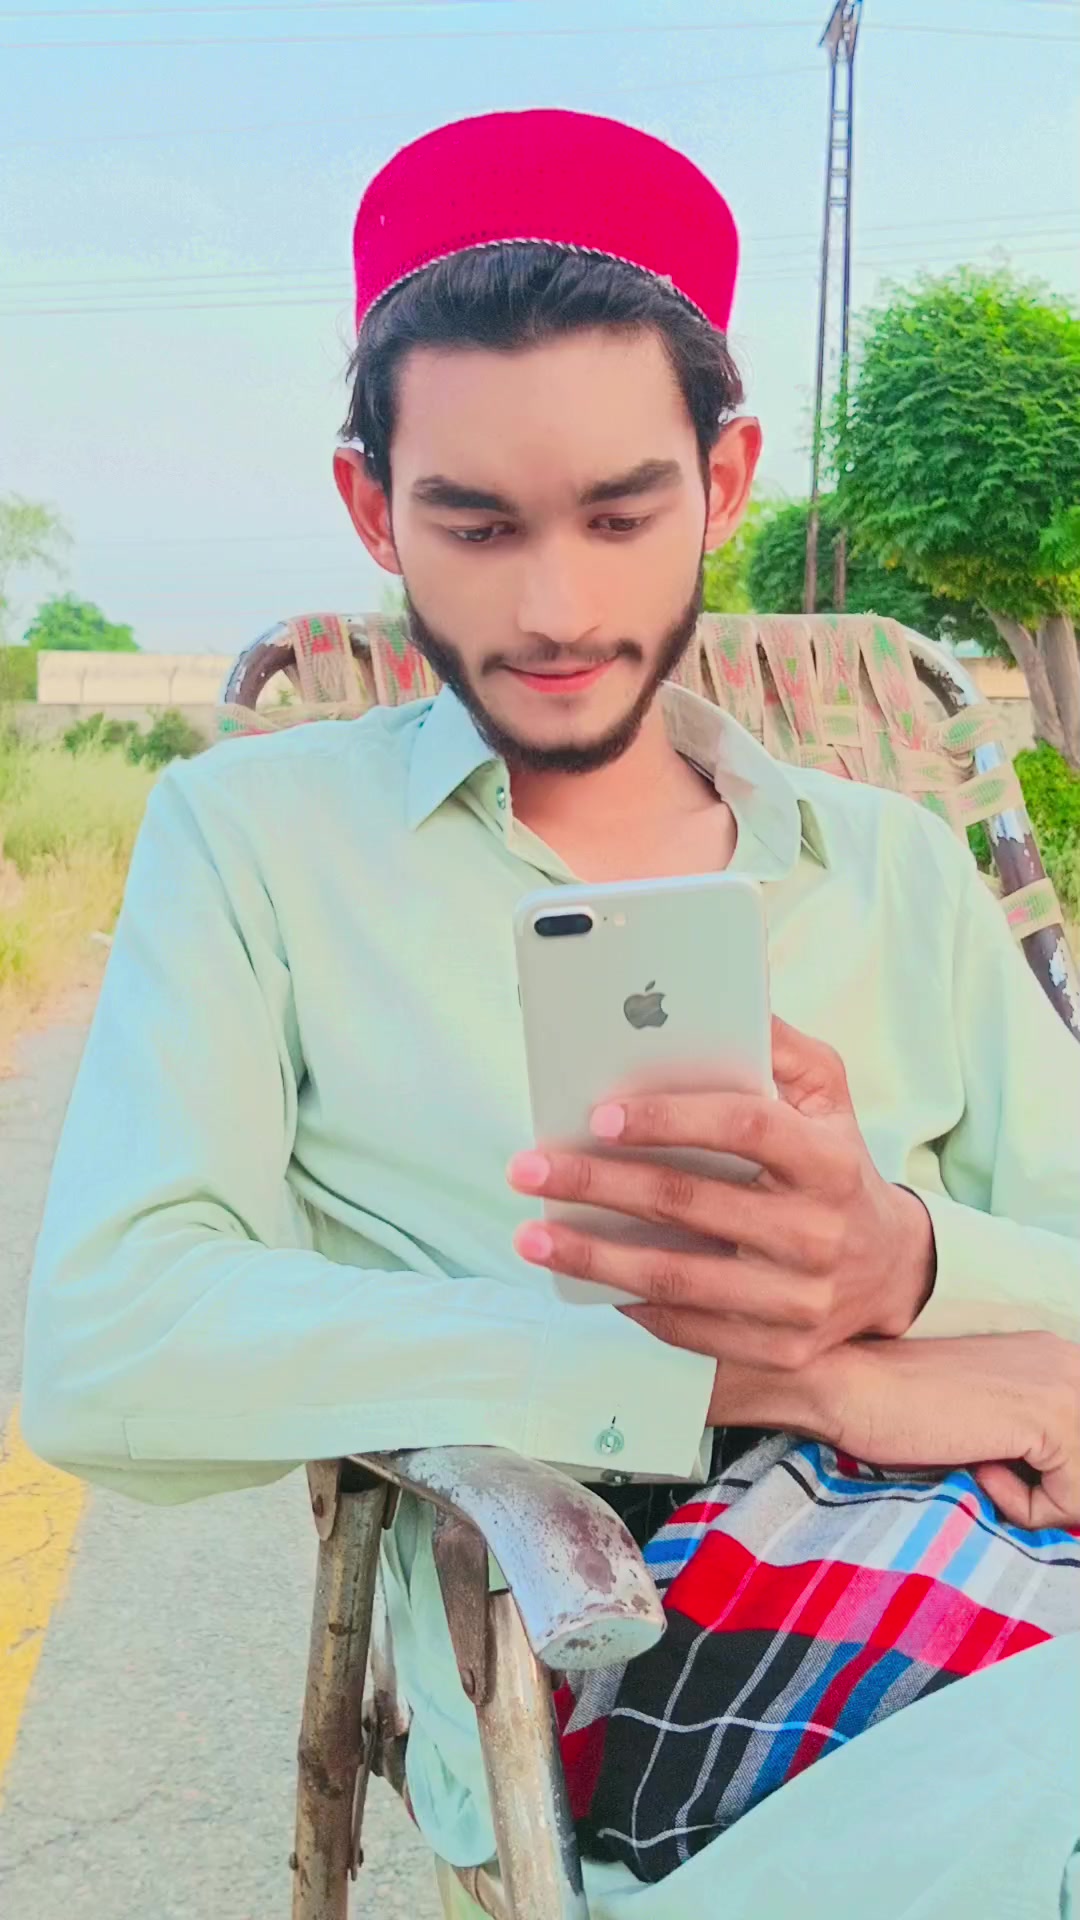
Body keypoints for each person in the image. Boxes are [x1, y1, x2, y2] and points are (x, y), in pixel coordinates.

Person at [20, 109, 1080, 1918]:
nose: (557, 607)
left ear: (725, 482)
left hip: (1004, 1535)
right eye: (477, 522)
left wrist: (898, 1263)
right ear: (374, 508)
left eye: (620, 512)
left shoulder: (894, 863)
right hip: (618, 1615)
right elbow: (114, 1338)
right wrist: (745, 1371)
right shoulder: (259, 841)